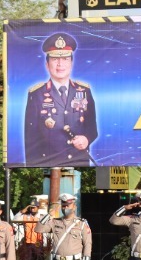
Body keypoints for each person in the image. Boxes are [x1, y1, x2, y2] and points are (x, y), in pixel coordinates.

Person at [24, 32, 99, 166]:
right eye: (55, 59)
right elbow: (31, 139)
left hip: (79, 163)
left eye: (65, 59)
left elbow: (92, 128)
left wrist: (87, 139)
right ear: (47, 64)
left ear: (71, 62)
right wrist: (32, 169)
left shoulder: (84, 91)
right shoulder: (36, 94)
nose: (60, 64)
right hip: (49, 164)